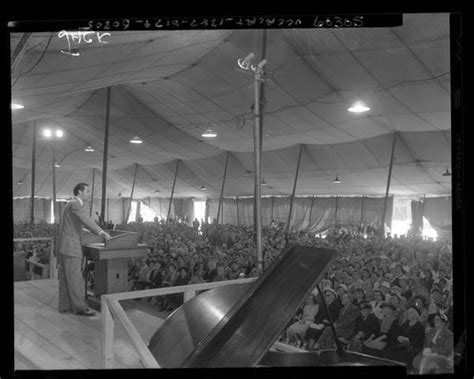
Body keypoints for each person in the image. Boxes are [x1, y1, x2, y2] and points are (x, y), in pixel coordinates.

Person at [58, 183, 111, 316]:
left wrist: (82, 229)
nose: (89, 194)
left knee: (66, 278)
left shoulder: (69, 203)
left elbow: (69, 224)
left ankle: (66, 305)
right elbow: (86, 219)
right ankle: (80, 308)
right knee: (75, 278)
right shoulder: (76, 204)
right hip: (71, 247)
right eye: (87, 191)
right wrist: (101, 232)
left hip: (65, 246)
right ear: (80, 192)